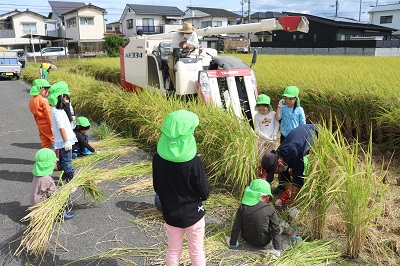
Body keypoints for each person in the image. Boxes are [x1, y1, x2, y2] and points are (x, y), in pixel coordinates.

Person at [153, 109, 210, 266]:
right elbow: (204, 191)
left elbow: (157, 186)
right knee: (197, 251)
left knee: (173, 250)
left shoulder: (158, 158)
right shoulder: (194, 162)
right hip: (193, 214)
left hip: (170, 213)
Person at [261, 124, 318, 207]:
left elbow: (298, 180)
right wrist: (288, 190)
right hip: (301, 134)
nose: (276, 174)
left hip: (315, 132)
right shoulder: (278, 155)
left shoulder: (294, 153)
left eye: (275, 172)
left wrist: (291, 202)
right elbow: (284, 173)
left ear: (279, 162)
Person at [227, 179, 282, 257]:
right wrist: (277, 249)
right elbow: (276, 230)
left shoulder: (243, 207)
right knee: (281, 223)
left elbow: (236, 227)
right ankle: (293, 234)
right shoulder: (270, 209)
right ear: (267, 197)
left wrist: (232, 243)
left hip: (246, 238)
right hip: (263, 242)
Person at [30, 148, 75, 220]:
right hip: (43, 208)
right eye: (54, 161)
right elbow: (54, 195)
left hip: (34, 206)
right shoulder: (47, 179)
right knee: (60, 197)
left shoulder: (36, 176)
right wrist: (68, 190)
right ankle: (61, 214)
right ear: (49, 164)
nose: (56, 163)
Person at [48, 81, 77, 183]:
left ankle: (65, 177)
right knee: (67, 161)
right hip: (65, 140)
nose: (67, 98)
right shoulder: (57, 112)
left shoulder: (56, 109)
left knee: (65, 160)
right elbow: (61, 127)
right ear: (61, 97)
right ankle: (69, 181)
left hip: (65, 139)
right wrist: (66, 141)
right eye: (65, 96)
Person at [254, 94, 279, 180]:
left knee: (269, 158)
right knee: (260, 157)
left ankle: (269, 176)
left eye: (263, 109)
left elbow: (276, 124)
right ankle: (260, 175)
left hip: (271, 141)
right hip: (261, 140)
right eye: (259, 110)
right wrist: (266, 138)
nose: (261, 112)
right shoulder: (257, 116)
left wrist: (275, 134)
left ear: (268, 107)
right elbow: (257, 130)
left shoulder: (273, 114)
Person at [168, 22, 199, 88]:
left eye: (189, 32)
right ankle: (175, 86)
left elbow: (196, 45)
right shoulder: (177, 35)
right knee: (172, 68)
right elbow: (176, 46)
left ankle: (191, 85)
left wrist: (186, 43)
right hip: (173, 54)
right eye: (187, 32)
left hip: (187, 54)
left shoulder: (194, 33)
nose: (189, 34)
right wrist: (187, 45)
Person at [29, 79, 54, 148]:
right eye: (47, 89)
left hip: (40, 125)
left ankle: (45, 157)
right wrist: (52, 126)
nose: (48, 92)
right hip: (47, 124)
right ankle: (59, 157)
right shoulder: (44, 100)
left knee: (45, 142)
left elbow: (35, 116)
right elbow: (48, 114)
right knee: (56, 140)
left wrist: (38, 124)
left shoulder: (32, 101)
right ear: (42, 89)